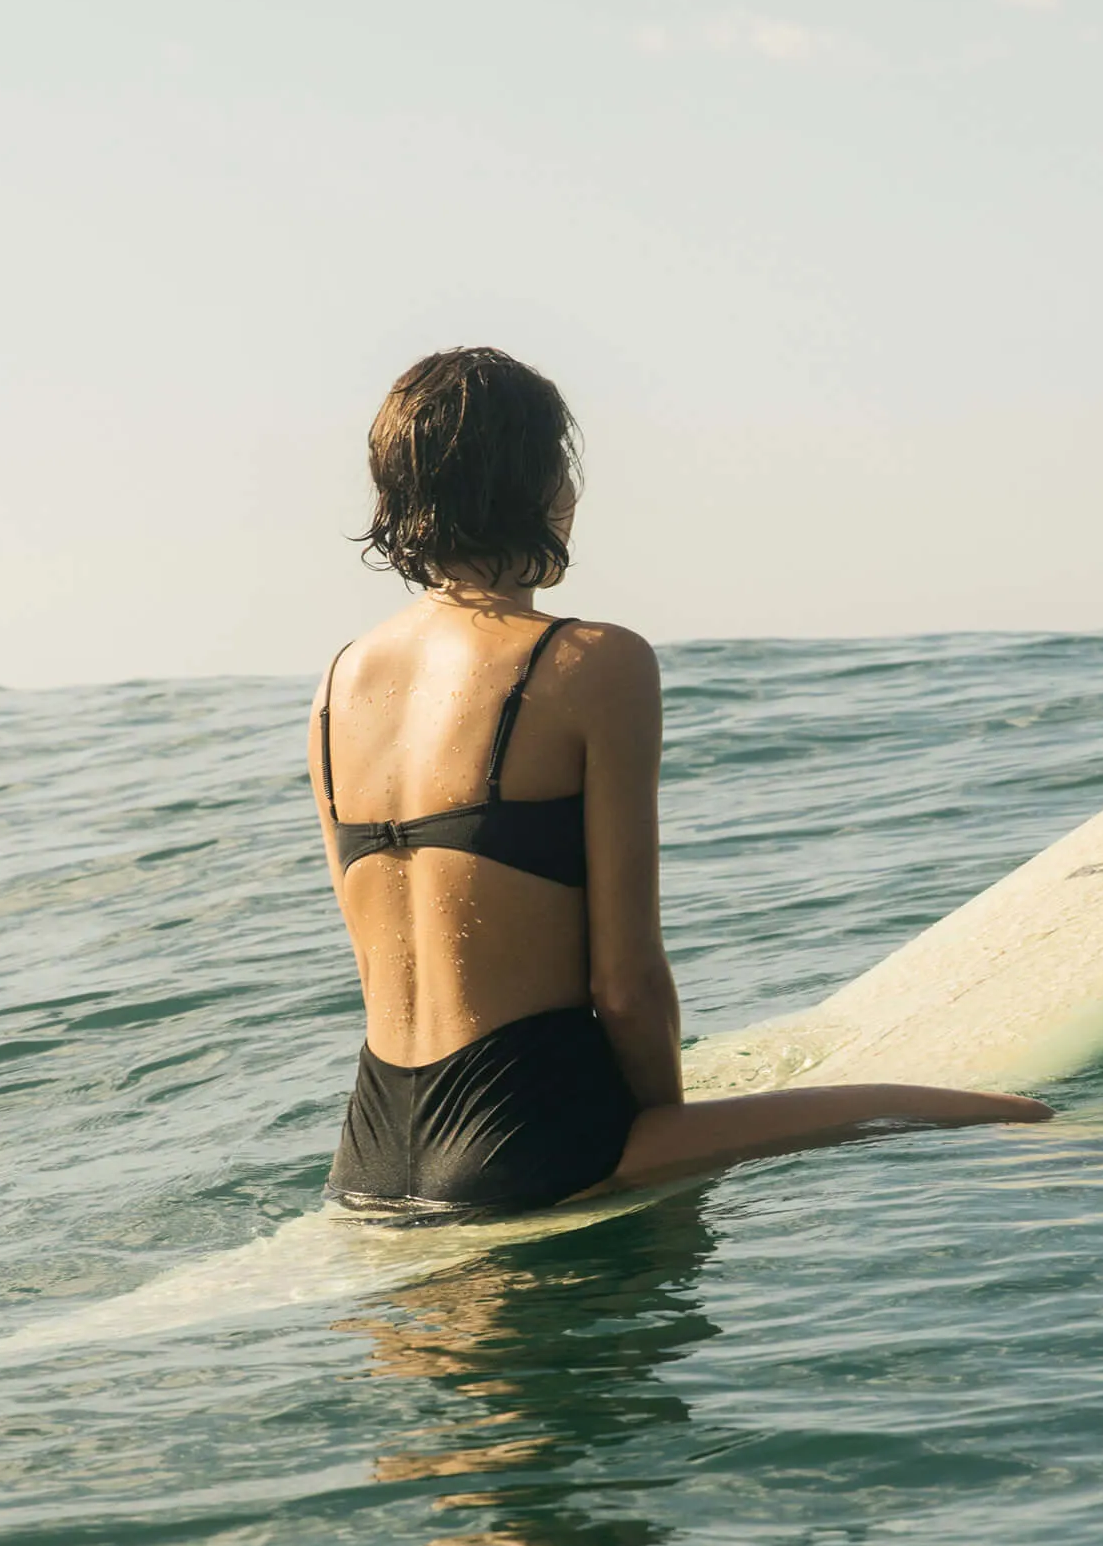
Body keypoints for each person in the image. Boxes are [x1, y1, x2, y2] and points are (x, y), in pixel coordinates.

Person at [313, 346, 1051, 1219]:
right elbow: (626, 983)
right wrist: (667, 1147)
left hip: (368, 1163)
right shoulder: (588, 663)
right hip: (532, 1150)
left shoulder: (338, 685)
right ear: (541, 485)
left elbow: (375, 965)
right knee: (1011, 1115)